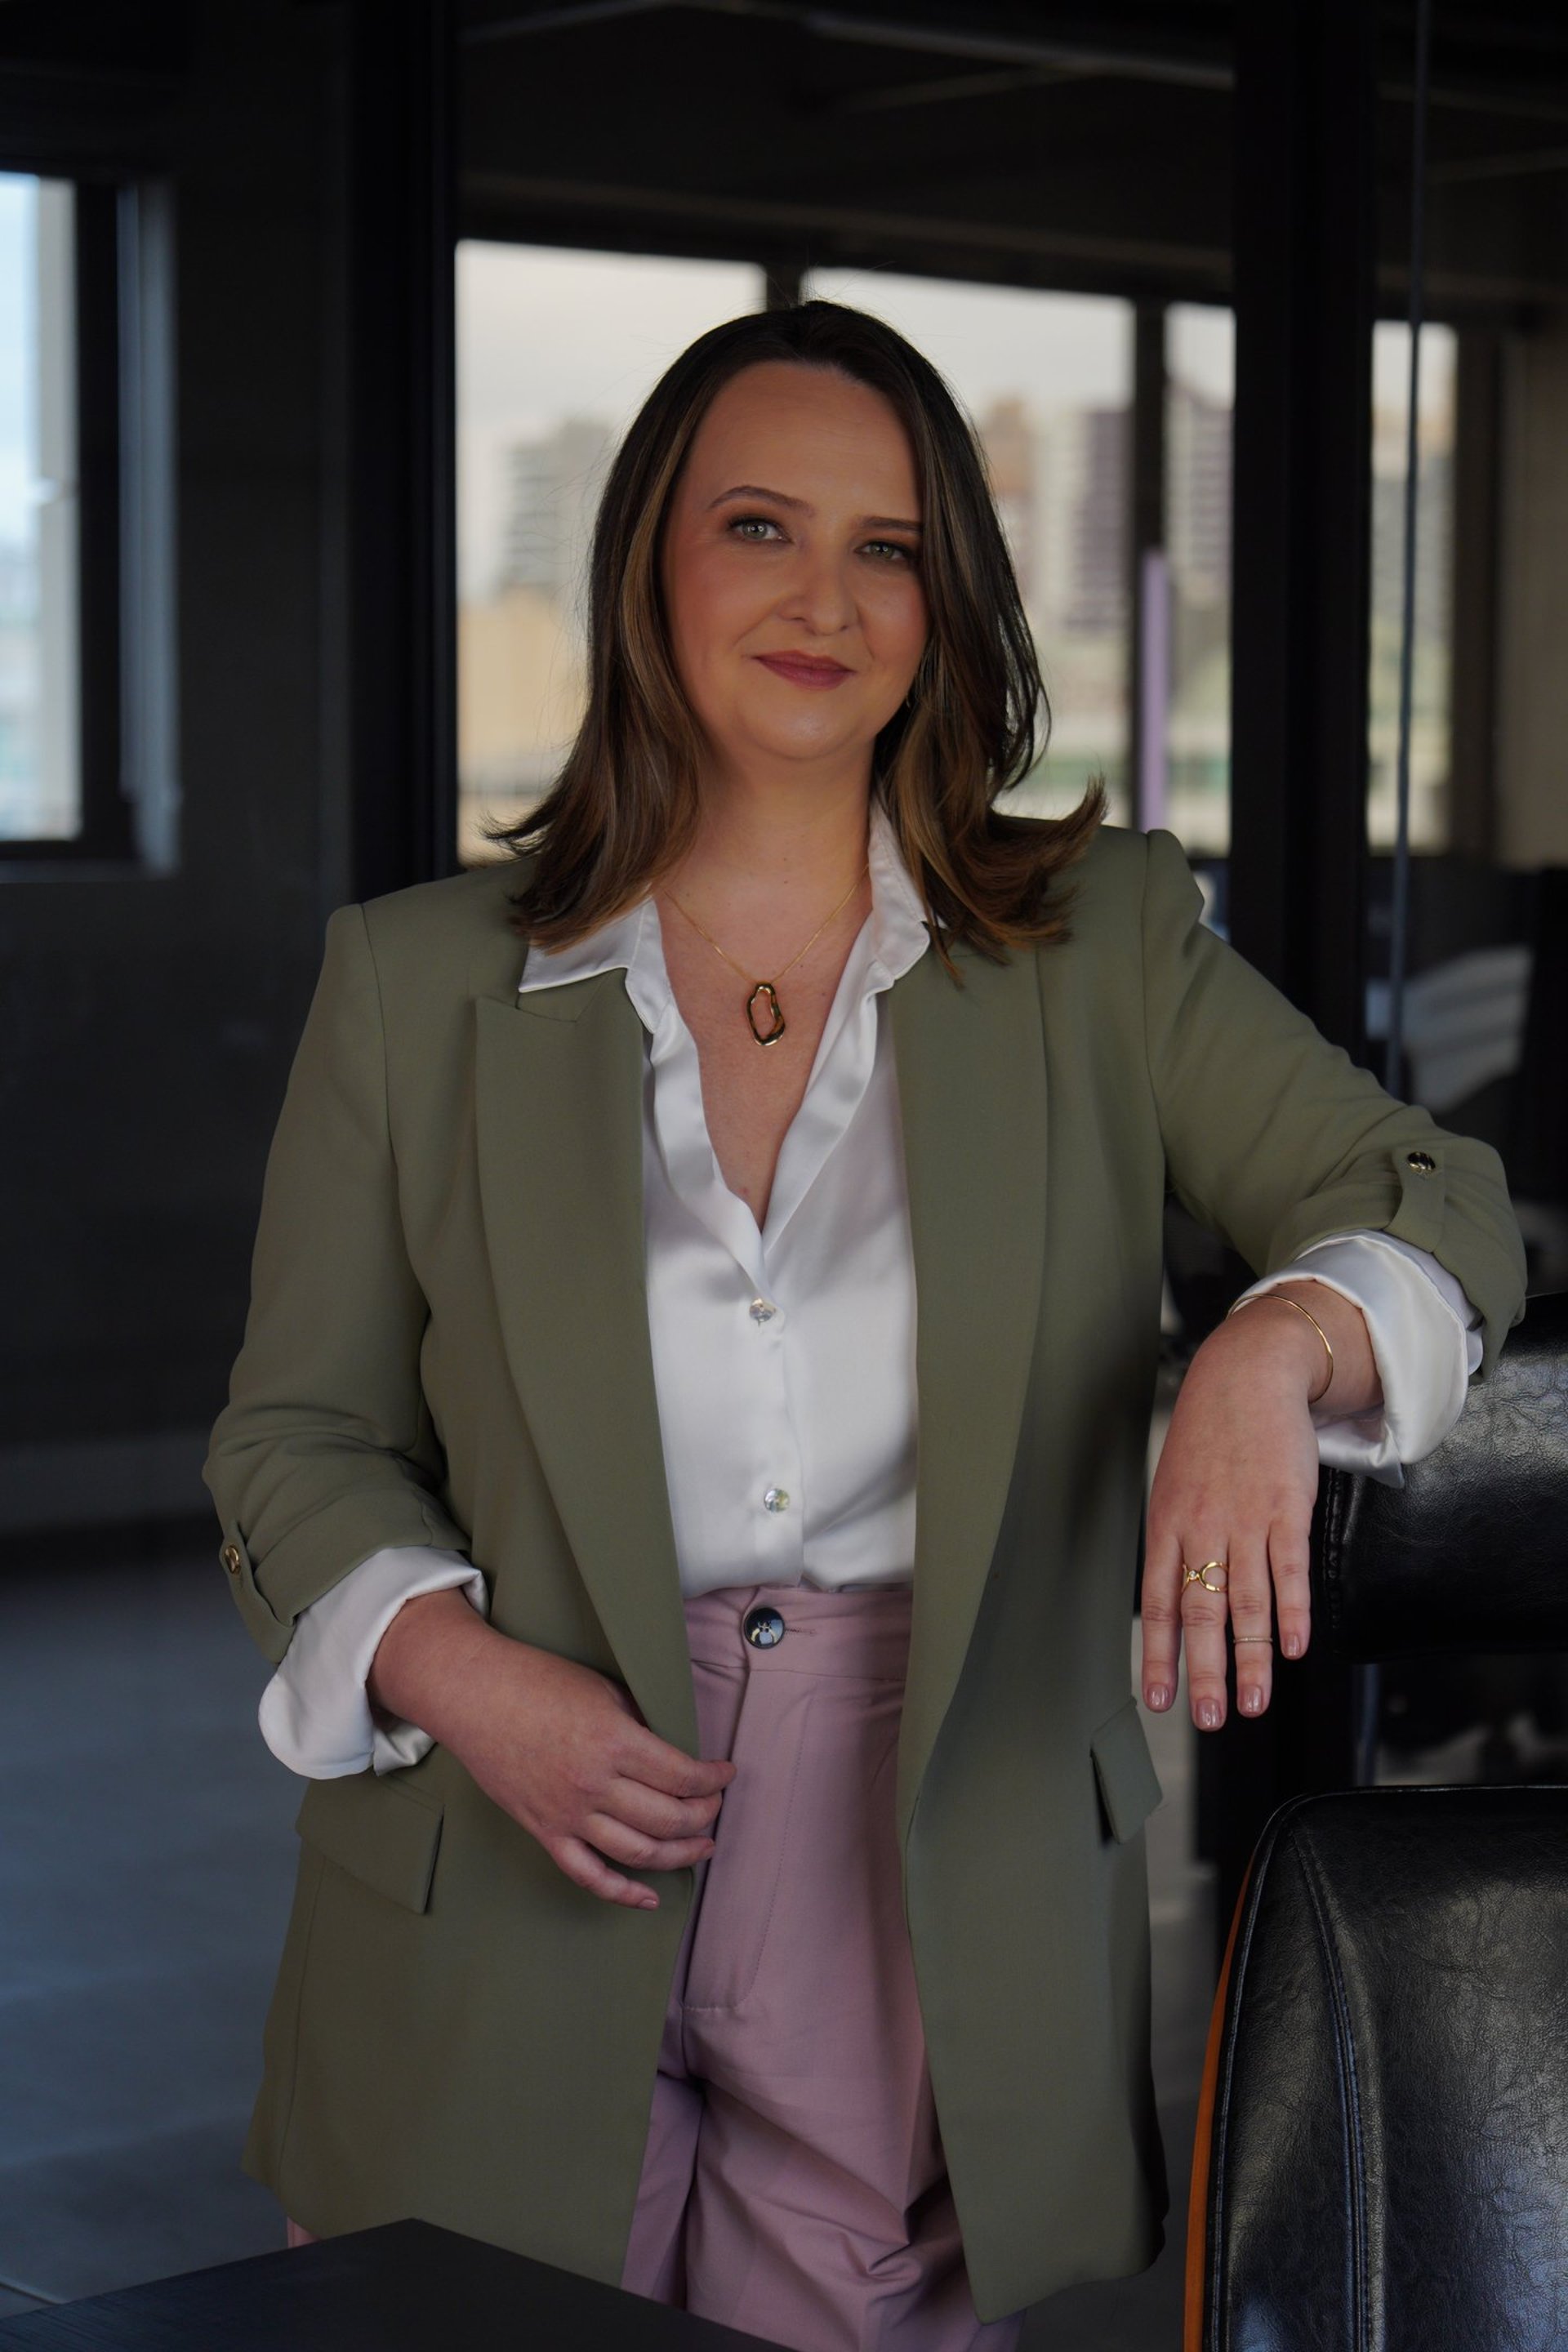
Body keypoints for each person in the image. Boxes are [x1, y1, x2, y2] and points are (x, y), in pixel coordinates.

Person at [203, 300, 1526, 2350]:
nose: (826, 599)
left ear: (950, 598)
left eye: (889, 547)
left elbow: (1429, 1201)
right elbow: (292, 1436)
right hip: (515, 1816)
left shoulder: (1103, 946)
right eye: (760, 527)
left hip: (926, 1848)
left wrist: (1273, 1352)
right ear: (652, 559)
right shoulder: (412, 982)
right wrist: (458, 1672)